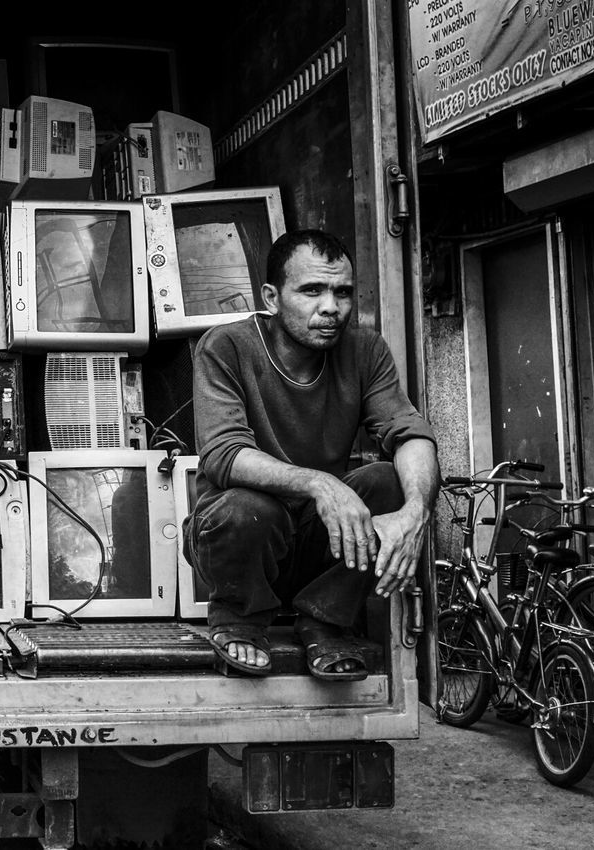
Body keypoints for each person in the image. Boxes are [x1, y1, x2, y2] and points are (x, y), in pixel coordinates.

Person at [183, 229, 439, 680]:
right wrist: (322, 483)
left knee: (389, 480)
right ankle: (240, 619)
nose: (330, 308)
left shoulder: (365, 350)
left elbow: (409, 432)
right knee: (248, 507)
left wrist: (416, 512)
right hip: (242, 539)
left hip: (320, 542)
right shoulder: (225, 347)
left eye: (342, 292)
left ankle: (324, 619)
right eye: (312, 290)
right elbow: (224, 454)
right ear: (272, 297)